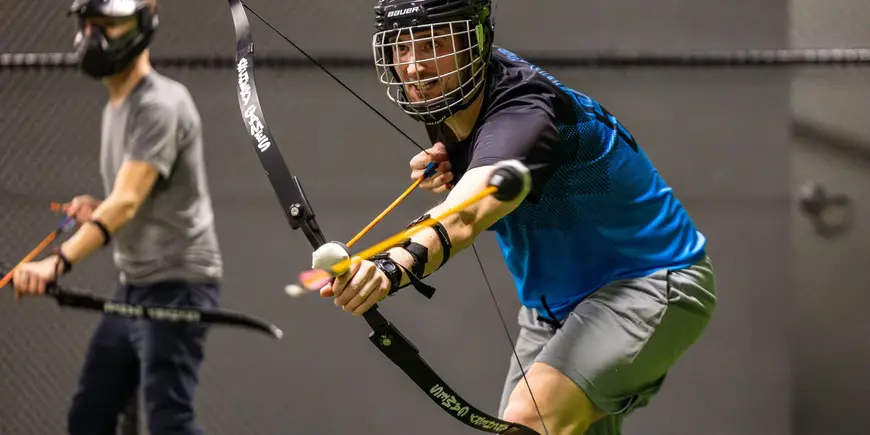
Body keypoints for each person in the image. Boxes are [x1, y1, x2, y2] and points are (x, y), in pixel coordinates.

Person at [316, 0, 717, 434]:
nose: (414, 68)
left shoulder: (524, 109)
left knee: (529, 420)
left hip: (651, 281)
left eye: (432, 45)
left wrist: (391, 266)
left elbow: (465, 217)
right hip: (550, 309)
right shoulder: (452, 96)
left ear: (476, 41)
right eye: (402, 47)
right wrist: (452, 156)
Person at [11, 1, 222, 434]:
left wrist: (56, 263)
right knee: (91, 415)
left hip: (178, 285)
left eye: (106, 26)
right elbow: (133, 197)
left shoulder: (159, 104)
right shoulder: (119, 102)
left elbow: (125, 202)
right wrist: (96, 209)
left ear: (141, 26)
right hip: (135, 285)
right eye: (88, 26)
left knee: (170, 422)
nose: (92, 38)